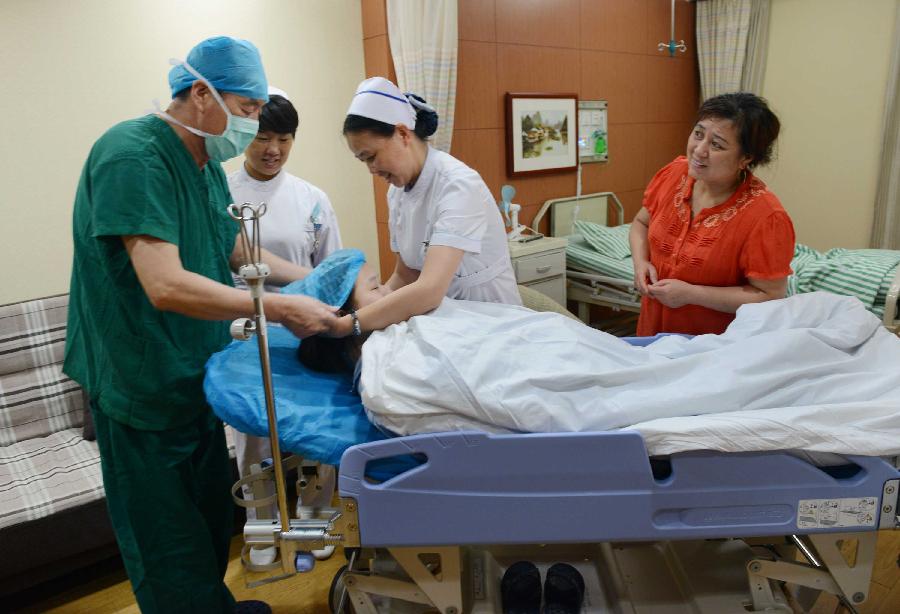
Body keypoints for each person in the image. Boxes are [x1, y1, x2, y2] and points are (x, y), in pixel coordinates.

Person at [63, 36, 337, 614]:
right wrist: (281, 308)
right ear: (199, 94)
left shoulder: (204, 162)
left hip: (193, 375)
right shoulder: (131, 155)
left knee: (212, 516)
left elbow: (237, 250)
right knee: (167, 539)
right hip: (140, 382)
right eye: (246, 110)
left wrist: (323, 276)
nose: (254, 126)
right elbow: (163, 284)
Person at [226, 87, 342, 562]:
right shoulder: (223, 193)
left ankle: (316, 514)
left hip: (305, 335)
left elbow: (332, 271)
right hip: (247, 335)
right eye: (264, 137)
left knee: (314, 429)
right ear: (245, 138)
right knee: (253, 435)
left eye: (285, 138)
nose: (274, 149)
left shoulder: (312, 199)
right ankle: (261, 523)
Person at [331, 76, 520, 338]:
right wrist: (375, 299)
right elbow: (406, 275)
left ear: (402, 133)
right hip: (444, 322)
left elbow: (429, 289)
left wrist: (350, 324)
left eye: (372, 156)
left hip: (491, 320)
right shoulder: (397, 193)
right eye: (363, 161)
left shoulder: (458, 185)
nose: (371, 169)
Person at [629, 92, 795, 336]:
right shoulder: (674, 174)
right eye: (698, 134)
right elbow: (640, 223)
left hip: (715, 348)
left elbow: (770, 295)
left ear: (745, 158)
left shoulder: (766, 217)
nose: (699, 150)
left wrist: (692, 295)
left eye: (716, 145)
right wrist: (640, 262)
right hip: (652, 332)